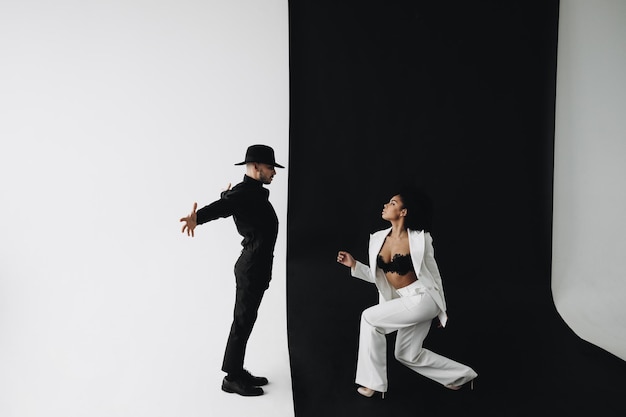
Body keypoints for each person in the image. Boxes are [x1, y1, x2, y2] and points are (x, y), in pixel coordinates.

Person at [336, 187, 477, 398]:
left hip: (423, 298)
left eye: (392, 203)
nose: (386, 205)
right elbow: (380, 277)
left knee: (368, 317)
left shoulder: (421, 239)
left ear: (403, 212)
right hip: (405, 300)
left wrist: (442, 309)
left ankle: (372, 384)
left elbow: (434, 275)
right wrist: (355, 265)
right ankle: (461, 376)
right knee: (406, 354)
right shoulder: (377, 239)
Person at [179, 144, 284, 397]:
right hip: (251, 266)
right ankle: (232, 378)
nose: (274, 173)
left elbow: (230, 202)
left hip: (257, 265)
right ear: (256, 167)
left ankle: (236, 370)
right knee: (242, 320)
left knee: (246, 320)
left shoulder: (250, 192)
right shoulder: (245, 193)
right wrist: (198, 218)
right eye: (271, 167)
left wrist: (226, 197)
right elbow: (220, 208)